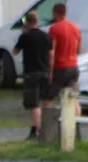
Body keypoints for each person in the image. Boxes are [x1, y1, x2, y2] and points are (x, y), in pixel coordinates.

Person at [13, 11, 53, 140]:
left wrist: (22, 34)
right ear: (37, 21)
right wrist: (51, 71)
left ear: (27, 23)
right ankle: (48, 130)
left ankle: (35, 130)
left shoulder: (25, 36)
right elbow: (51, 54)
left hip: (31, 73)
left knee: (34, 104)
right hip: (45, 71)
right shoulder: (46, 36)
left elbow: (15, 51)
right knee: (46, 102)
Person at [43, 3, 82, 116]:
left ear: (55, 13)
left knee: (47, 99)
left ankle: (46, 128)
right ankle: (76, 125)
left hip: (60, 67)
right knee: (73, 99)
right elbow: (78, 50)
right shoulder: (76, 27)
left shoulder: (54, 29)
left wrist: (50, 73)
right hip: (74, 66)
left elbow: (52, 52)